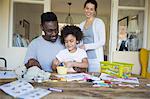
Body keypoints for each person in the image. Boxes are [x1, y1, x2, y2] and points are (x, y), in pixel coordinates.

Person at [79, 0, 106, 72]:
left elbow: (102, 42)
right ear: (84, 9)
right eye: (87, 8)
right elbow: (80, 41)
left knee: (94, 81)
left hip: (95, 59)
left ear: (94, 11)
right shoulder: (81, 24)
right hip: (84, 59)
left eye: (91, 9)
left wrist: (86, 46)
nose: (88, 11)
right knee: (83, 81)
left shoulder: (99, 22)